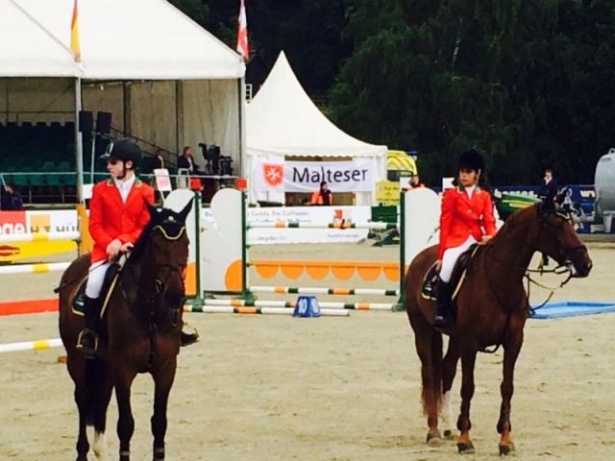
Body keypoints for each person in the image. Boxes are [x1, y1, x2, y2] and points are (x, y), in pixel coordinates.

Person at [77, 139, 198, 358]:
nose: (109, 166)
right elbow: (94, 224)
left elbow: (144, 224)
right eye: (109, 163)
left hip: (135, 248)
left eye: (113, 162)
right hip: (107, 252)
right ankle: (91, 332)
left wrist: (123, 241)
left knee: (165, 280)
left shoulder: (145, 192)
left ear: (129, 164)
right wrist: (110, 244)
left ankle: (176, 327)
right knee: (93, 285)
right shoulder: (100, 189)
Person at [434, 149, 496, 330]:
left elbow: (489, 220)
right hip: (457, 240)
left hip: (477, 239)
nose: (464, 175)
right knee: (447, 267)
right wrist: (441, 253)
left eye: (468, 172)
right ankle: (441, 310)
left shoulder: (484, 196)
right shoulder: (451, 195)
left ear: (477, 174)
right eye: (462, 172)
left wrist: (490, 236)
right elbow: (445, 223)